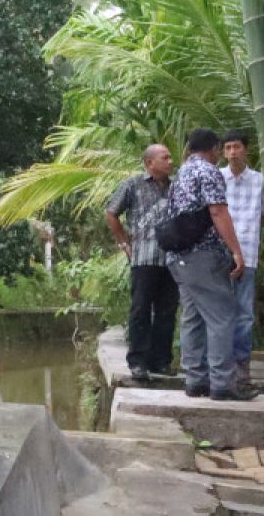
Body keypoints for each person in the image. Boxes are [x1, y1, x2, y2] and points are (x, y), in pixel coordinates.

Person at [166, 128, 255, 400]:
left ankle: (195, 380)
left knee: (192, 317)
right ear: (213, 148)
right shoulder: (208, 172)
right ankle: (222, 384)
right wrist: (236, 252)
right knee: (221, 316)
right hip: (204, 255)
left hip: (179, 256)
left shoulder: (180, 174)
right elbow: (217, 210)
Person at [107, 144, 177, 381]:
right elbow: (111, 213)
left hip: (172, 258)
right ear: (149, 163)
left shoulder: (176, 186)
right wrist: (124, 242)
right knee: (140, 310)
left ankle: (161, 361)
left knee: (167, 311)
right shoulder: (133, 184)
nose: (170, 161)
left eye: (169, 157)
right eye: (164, 157)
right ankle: (137, 362)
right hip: (143, 257)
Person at [220, 130, 264, 385]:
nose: (232, 153)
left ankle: (241, 365)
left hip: (247, 253)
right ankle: (218, 363)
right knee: (219, 310)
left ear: (245, 149)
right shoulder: (217, 178)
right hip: (219, 255)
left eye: (236, 147)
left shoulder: (260, 180)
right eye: (227, 148)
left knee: (244, 312)